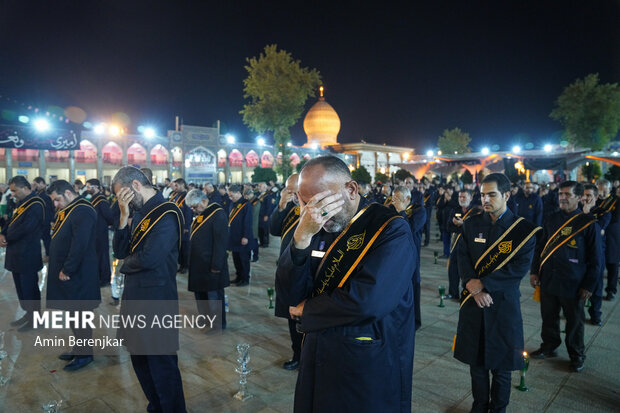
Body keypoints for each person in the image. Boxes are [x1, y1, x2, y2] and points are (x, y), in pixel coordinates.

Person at [276, 156, 416, 412]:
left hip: (364, 359)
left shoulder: (390, 229)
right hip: (317, 351)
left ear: (351, 190)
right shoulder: (313, 224)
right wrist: (301, 237)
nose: (314, 213)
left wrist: (309, 310)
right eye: (306, 204)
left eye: (322, 202)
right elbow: (289, 294)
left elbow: (369, 301)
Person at [454, 173, 540, 413]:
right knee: (477, 365)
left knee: (501, 367)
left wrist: (483, 287)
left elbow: (517, 270)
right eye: (482, 195)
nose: (486, 199)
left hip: (502, 305)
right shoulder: (471, 224)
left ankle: (498, 409)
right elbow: (463, 257)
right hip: (474, 303)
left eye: (492, 194)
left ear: (507, 195)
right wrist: (471, 283)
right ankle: (479, 407)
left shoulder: (523, 230)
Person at [112, 166, 186, 412]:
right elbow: (120, 251)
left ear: (134, 186)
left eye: (122, 196)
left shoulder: (166, 212)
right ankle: (156, 406)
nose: (123, 201)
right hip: (136, 298)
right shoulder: (142, 211)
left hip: (156, 301)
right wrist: (123, 217)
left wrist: (124, 265)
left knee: (161, 364)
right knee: (140, 359)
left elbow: (149, 258)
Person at [530, 181, 601, 373]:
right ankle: (549, 346)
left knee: (575, 321)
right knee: (548, 317)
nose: (563, 197)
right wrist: (534, 270)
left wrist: (589, 285)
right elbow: (540, 246)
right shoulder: (551, 218)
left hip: (574, 281)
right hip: (550, 278)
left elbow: (596, 259)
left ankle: (576, 355)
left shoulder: (588, 223)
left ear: (579, 198)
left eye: (568, 194)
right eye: (561, 194)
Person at [47, 179, 100, 370]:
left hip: (79, 273)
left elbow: (80, 244)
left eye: (57, 200)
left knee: (80, 315)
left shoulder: (83, 210)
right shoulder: (71, 208)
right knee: (73, 314)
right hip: (70, 273)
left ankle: (85, 355)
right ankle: (78, 347)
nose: (55, 204)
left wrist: (67, 268)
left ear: (68, 193)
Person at [0, 176, 45, 332]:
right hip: (16, 252)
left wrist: (8, 236)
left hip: (27, 254)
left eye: (14, 190)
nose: (12, 194)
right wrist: (2, 233)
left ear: (25, 188)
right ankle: (28, 314)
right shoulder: (21, 203)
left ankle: (36, 319)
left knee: (29, 288)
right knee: (21, 288)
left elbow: (26, 228)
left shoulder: (36, 204)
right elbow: (11, 221)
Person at [269, 173, 302, 370]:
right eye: (289, 192)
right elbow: (274, 229)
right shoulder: (291, 209)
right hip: (288, 272)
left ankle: (308, 358)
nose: (293, 196)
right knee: (292, 318)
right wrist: (281, 205)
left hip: (307, 274)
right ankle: (297, 354)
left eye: (295, 191)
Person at [185, 189, 229, 330]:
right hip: (199, 264)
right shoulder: (203, 213)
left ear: (204, 201)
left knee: (213, 296)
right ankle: (205, 320)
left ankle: (216, 324)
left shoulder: (217, 214)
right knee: (201, 294)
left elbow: (220, 243)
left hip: (211, 264)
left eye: (195, 206)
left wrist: (216, 265)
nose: (193, 210)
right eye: (191, 207)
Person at [391, 185, 426, 330]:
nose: (394, 202)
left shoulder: (419, 210)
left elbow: (410, 230)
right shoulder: (390, 210)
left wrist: (402, 211)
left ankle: (415, 321)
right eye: (393, 199)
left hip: (412, 255)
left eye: (398, 199)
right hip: (394, 255)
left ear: (407, 199)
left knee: (413, 285)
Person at [446, 189, 480, 299]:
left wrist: (462, 224)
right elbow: (449, 227)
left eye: (464, 197)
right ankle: (453, 292)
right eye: (460, 197)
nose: (461, 199)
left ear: (470, 198)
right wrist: (460, 226)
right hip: (456, 244)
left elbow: (476, 229)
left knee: (467, 270)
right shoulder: (455, 210)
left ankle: (467, 293)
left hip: (470, 246)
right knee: (453, 269)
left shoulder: (476, 212)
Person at [85, 179, 114, 287]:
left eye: (89, 186)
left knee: (103, 256)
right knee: (97, 255)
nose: (87, 189)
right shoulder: (93, 198)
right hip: (94, 231)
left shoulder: (101, 200)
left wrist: (109, 224)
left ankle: (105, 279)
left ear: (96, 187)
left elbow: (109, 216)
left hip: (100, 232)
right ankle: (98, 276)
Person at [596, 179, 619, 301]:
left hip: (612, 237)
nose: (603, 193)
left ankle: (611, 290)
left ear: (610, 189)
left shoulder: (616, 201)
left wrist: (602, 226)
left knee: (612, 264)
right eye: (600, 190)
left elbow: (616, 218)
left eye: (605, 191)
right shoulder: (595, 200)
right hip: (598, 236)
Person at [227, 184, 253, 287]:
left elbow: (248, 222)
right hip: (234, 236)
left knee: (243, 260)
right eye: (229, 196)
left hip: (243, 237)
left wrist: (245, 236)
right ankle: (238, 277)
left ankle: (245, 279)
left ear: (238, 193)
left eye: (232, 195)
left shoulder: (246, 204)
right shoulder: (233, 203)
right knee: (236, 259)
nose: (230, 198)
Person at [172, 178, 193, 274]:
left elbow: (188, 212)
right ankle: (181, 264)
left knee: (185, 247)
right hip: (177, 225)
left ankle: (186, 265)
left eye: (177, 185)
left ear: (182, 185)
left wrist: (186, 226)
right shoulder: (177, 195)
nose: (175, 187)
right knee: (179, 246)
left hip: (184, 226)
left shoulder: (187, 196)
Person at [32, 177, 55, 259]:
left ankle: (49, 254)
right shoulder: (38, 194)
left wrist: (50, 221)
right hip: (39, 220)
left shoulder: (45, 195)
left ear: (42, 183)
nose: (34, 186)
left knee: (46, 238)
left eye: (35, 184)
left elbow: (49, 210)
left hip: (45, 220)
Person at [257, 181, 276, 247]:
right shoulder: (259, 195)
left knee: (265, 230)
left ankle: (265, 243)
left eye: (260, 186)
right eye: (258, 186)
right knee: (260, 230)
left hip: (264, 216)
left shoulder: (267, 196)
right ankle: (261, 242)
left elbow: (269, 207)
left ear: (265, 187)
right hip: (259, 216)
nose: (258, 187)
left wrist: (267, 215)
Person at [244, 189, 261, 262]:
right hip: (250, 224)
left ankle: (255, 256)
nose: (246, 197)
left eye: (246, 196)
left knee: (254, 242)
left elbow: (253, 213)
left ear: (250, 194)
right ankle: (249, 256)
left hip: (253, 224)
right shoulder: (250, 201)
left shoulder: (256, 201)